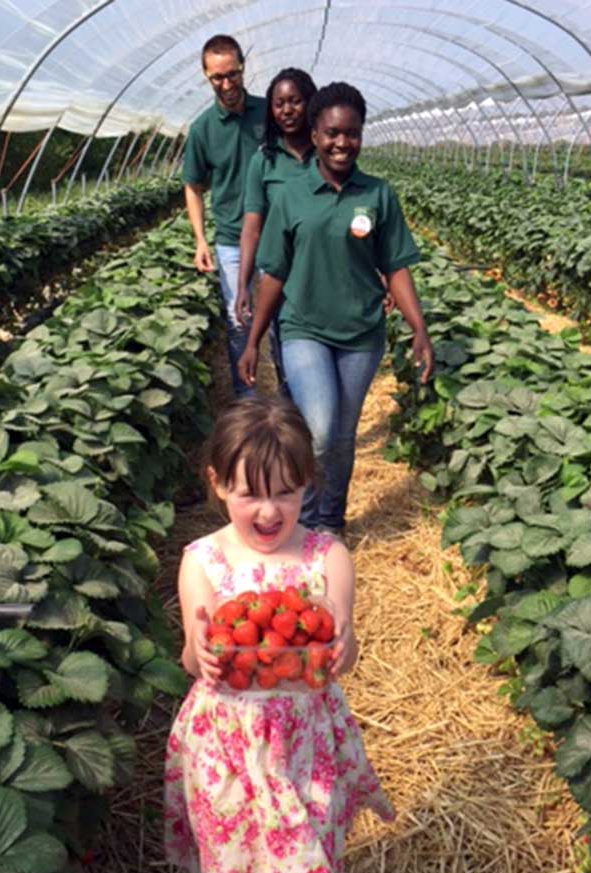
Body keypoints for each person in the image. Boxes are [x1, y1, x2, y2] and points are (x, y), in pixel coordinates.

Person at [164, 396, 393, 873]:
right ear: (216, 484)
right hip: (228, 739)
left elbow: (340, 646)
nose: (268, 512)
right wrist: (204, 650)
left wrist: (342, 642)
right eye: (249, 494)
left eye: (286, 494)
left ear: (307, 487)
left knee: (301, 841)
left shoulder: (326, 558)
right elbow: (193, 650)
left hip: (301, 737)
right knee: (237, 856)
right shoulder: (202, 559)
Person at [237, 82, 434, 537]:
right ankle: (303, 520)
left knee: (343, 438)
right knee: (320, 430)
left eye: (352, 133)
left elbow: (397, 267)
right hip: (305, 327)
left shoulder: (379, 194)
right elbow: (274, 276)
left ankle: (330, 524)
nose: (342, 143)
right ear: (315, 132)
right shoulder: (290, 195)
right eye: (331, 133)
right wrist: (252, 342)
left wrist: (418, 328)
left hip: (362, 333)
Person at [182, 34, 265, 398]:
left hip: (278, 235)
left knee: (284, 322)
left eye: (233, 74)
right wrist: (200, 240)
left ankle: (290, 401)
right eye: (218, 77)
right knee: (238, 323)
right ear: (206, 75)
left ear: (243, 68)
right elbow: (193, 187)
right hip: (231, 239)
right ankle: (247, 403)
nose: (227, 84)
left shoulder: (270, 113)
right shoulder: (202, 129)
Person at [234, 67, 318, 391]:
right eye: (279, 103)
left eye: (295, 101)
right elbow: (252, 227)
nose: (287, 110)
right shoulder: (264, 162)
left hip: (324, 274)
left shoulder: (328, 154)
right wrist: (243, 284)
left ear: (311, 103)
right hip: (280, 283)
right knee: (289, 372)